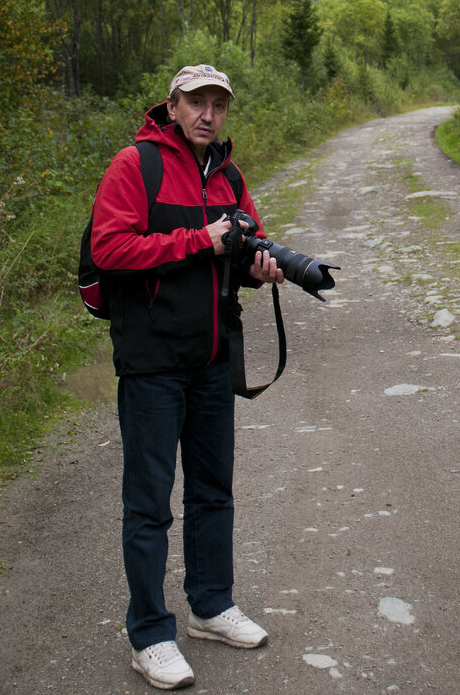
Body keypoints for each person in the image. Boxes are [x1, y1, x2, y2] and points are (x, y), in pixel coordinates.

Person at [90, 63, 284, 690]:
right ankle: (150, 634)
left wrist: (260, 266)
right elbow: (109, 250)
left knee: (212, 492)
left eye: (218, 105)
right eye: (196, 102)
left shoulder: (229, 175)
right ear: (171, 106)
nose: (208, 114)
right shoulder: (136, 165)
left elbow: (249, 243)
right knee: (149, 504)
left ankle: (210, 605)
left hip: (211, 358)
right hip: (151, 362)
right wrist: (199, 239)